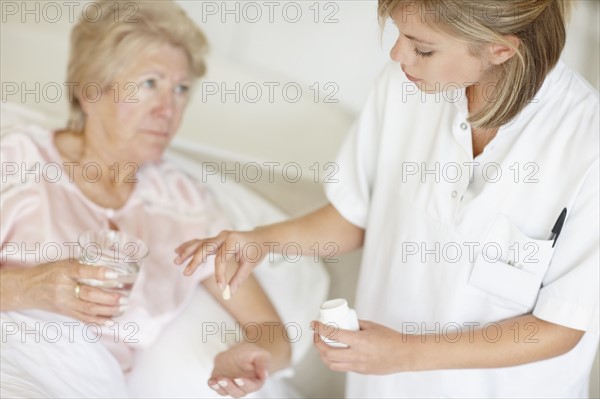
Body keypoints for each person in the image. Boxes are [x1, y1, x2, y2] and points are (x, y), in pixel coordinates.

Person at [176, 0, 599, 397]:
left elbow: (561, 326)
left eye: (423, 48)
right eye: (399, 34)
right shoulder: (405, 87)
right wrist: (261, 241)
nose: (398, 55)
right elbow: (354, 215)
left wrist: (403, 353)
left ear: (500, 50)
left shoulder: (586, 145)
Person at [0, 1, 290, 398]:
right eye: (150, 83)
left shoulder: (185, 204)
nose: (167, 109)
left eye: (181, 89)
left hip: (89, 384)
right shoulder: (18, 160)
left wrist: (253, 354)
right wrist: (32, 286)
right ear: (91, 90)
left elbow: (270, 331)